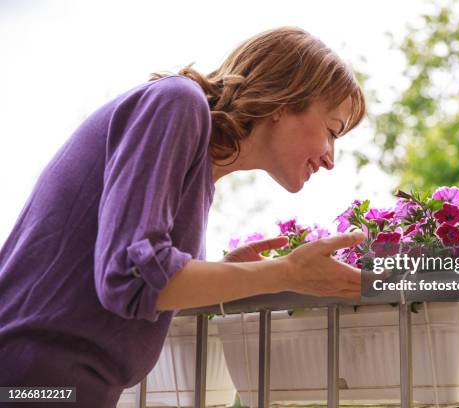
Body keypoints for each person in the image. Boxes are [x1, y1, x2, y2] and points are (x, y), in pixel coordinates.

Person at [0, 27, 367, 407]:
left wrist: (222, 275)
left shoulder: (201, 168)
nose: (330, 158)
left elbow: (138, 288)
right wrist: (287, 273)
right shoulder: (178, 102)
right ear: (284, 101)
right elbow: (132, 277)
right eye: (332, 131)